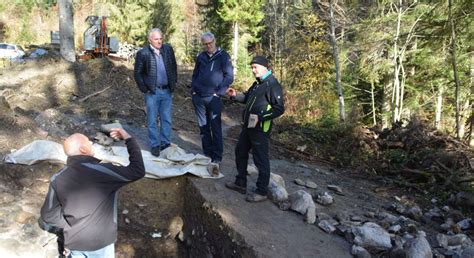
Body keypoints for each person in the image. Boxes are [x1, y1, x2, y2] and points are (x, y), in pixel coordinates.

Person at [38, 128, 145, 257]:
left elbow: (48, 215)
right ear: (83, 149)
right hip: (101, 244)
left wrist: (70, 227)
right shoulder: (104, 171)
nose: (92, 143)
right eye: (89, 142)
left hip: (74, 243)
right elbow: (138, 170)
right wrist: (128, 138)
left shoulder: (57, 178)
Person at [225, 56, 285, 202]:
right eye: (252, 67)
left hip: (260, 129)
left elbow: (279, 108)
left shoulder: (272, 84)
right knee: (240, 151)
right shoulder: (258, 83)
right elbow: (246, 98)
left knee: (260, 159)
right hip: (248, 126)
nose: (253, 70)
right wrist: (235, 95)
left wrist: (261, 117)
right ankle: (240, 183)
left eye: (255, 67)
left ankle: (262, 191)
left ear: (265, 67)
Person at [191, 32, 234, 164]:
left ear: (215, 41)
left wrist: (219, 92)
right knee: (203, 127)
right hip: (198, 97)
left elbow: (229, 76)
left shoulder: (223, 56)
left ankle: (217, 157)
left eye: (210, 43)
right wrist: (193, 90)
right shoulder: (201, 57)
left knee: (215, 127)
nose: (208, 46)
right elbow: (195, 74)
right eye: (205, 44)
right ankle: (207, 154)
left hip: (214, 98)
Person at [134, 28, 177, 157]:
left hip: (167, 91)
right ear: (150, 40)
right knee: (152, 120)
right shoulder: (143, 53)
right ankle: (154, 144)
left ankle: (165, 143)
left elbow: (173, 67)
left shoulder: (168, 49)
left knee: (166, 119)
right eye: (156, 39)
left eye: (160, 39)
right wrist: (145, 89)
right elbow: (137, 73)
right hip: (152, 92)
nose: (159, 41)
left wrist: (173, 83)